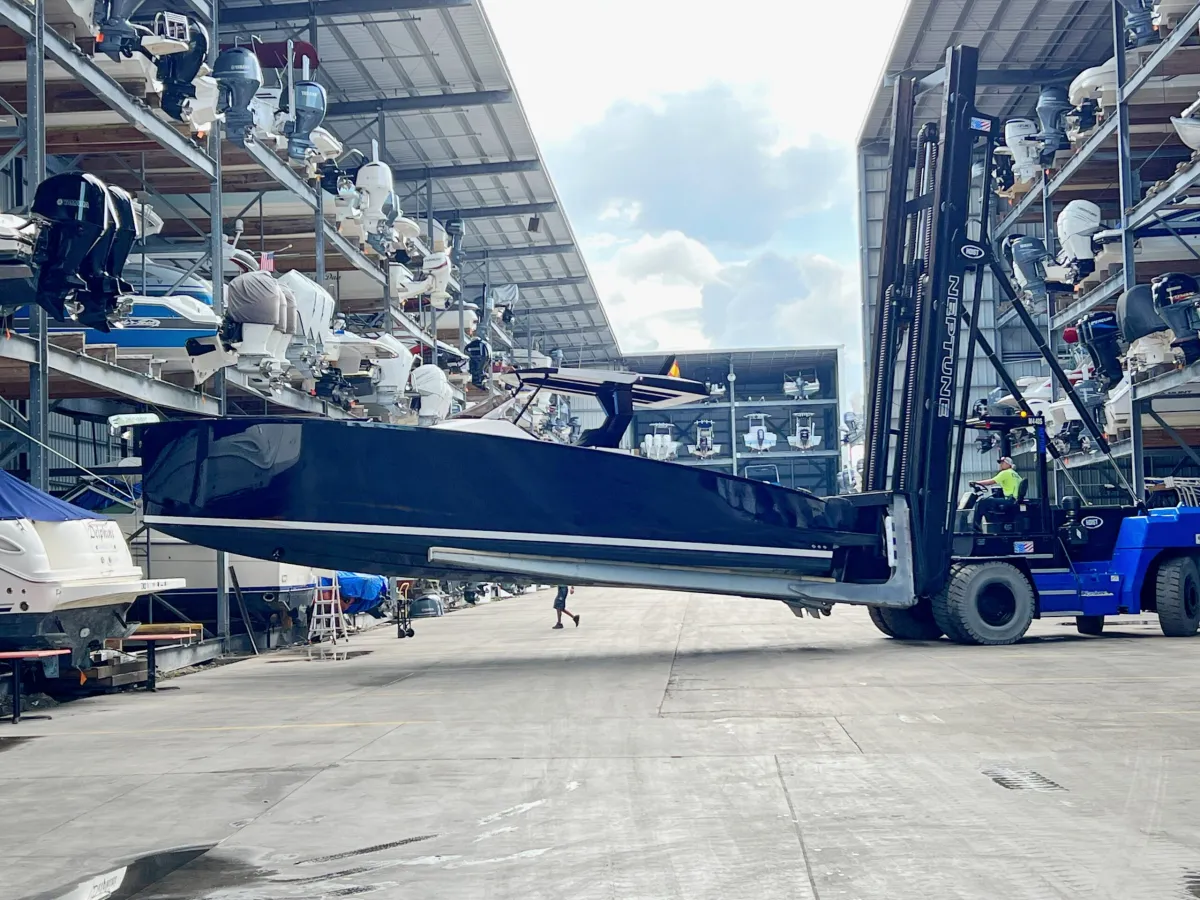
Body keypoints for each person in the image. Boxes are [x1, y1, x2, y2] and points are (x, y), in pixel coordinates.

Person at [971, 457, 1022, 530]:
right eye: (1000, 463)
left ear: (1008, 464)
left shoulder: (1006, 472)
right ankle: (993, 524)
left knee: (982, 502)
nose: (1000, 465)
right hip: (1014, 500)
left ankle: (976, 527)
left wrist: (976, 483)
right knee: (990, 502)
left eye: (1002, 463)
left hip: (1009, 500)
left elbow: (991, 482)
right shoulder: (1016, 474)